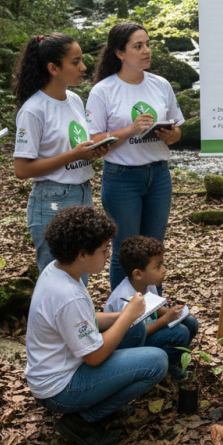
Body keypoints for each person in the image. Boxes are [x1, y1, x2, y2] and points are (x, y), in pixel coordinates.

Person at [25, 206, 168, 445]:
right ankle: (82, 420)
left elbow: (89, 319)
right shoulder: (68, 295)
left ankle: (103, 401)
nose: (107, 254)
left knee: (135, 329)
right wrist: (128, 316)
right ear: (82, 253)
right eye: (103, 250)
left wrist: (126, 316)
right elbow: (94, 357)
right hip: (60, 388)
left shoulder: (59, 271)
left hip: (64, 369)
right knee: (157, 361)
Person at [87, 22, 184, 290]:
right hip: (122, 178)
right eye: (138, 46)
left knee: (154, 250)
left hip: (159, 175)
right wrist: (130, 130)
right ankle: (125, 319)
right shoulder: (103, 90)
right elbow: (93, 140)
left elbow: (177, 132)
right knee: (125, 251)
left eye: (148, 44)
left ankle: (154, 313)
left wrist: (170, 135)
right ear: (120, 53)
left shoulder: (161, 85)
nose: (146, 51)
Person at [13, 33, 110, 276]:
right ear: (53, 68)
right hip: (52, 198)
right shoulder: (33, 110)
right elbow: (22, 169)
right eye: (75, 62)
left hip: (82, 192)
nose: (84, 67)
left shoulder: (75, 99)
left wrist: (93, 153)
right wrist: (73, 155)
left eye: (82, 60)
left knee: (81, 271)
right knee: (57, 278)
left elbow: (76, 149)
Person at [105, 235, 199, 378]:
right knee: (180, 332)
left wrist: (171, 312)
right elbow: (133, 335)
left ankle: (172, 362)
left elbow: (153, 306)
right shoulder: (123, 297)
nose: (164, 270)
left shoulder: (147, 284)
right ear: (138, 274)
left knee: (190, 323)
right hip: (130, 346)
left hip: (149, 330)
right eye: (157, 266)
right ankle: (162, 371)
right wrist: (164, 320)